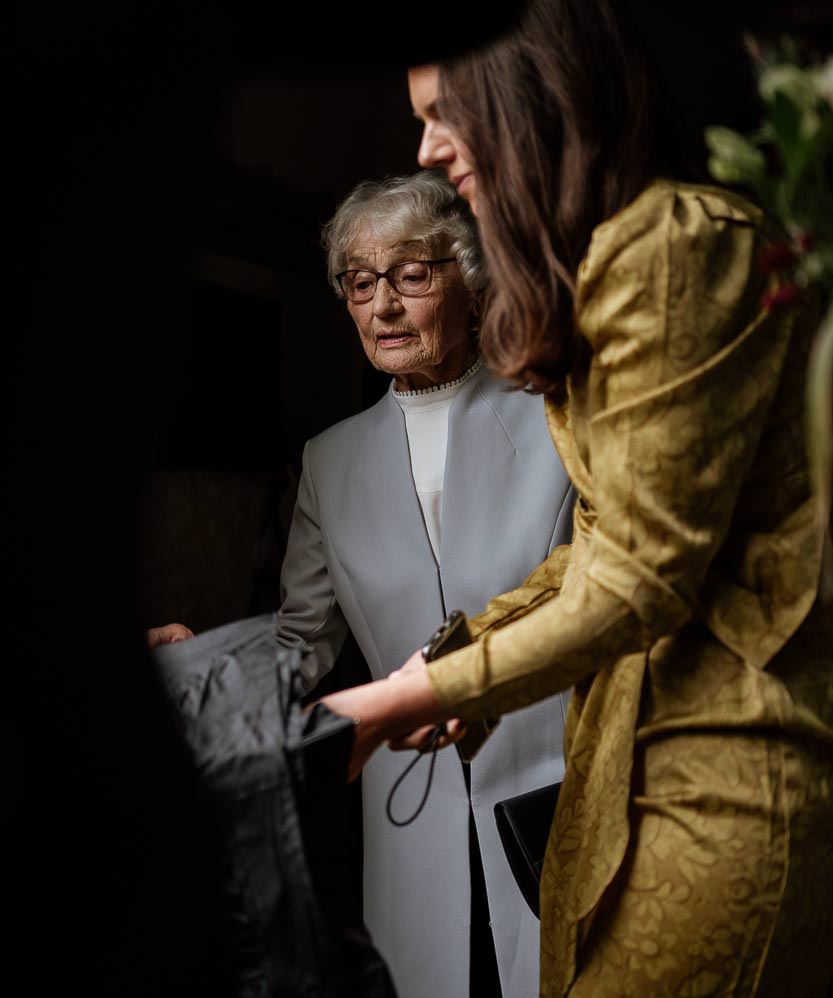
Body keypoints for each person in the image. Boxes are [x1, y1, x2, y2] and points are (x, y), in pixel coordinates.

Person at [322, 3, 833, 995]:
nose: (425, 146)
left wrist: (426, 688)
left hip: (725, 777)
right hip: (643, 767)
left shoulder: (663, 244)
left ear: (525, 96)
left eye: (444, 111)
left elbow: (633, 575)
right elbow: (605, 548)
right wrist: (449, 662)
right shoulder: (625, 257)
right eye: (360, 284)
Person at [155, 170, 576, 997]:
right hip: (408, 814)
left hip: (557, 793)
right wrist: (203, 666)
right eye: (359, 281)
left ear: (470, 277)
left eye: (411, 275)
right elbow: (298, 647)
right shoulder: (331, 459)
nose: (382, 304)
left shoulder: (552, 414)